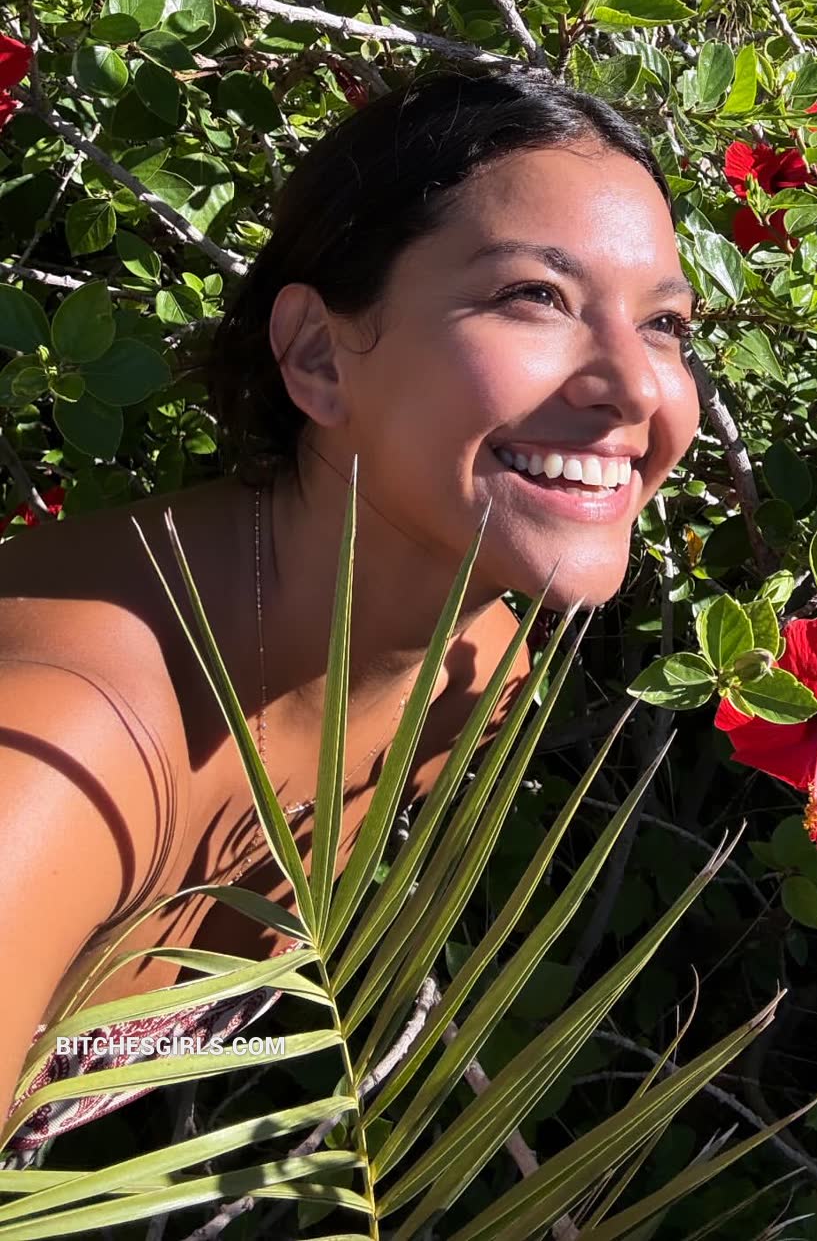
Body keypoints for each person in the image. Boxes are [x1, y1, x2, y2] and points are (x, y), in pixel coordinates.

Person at [0, 65, 701, 1161]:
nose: (639, 386)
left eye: (663, 323)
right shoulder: (62, 748)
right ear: (318, 355)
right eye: (535, 296)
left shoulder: (474, 668)